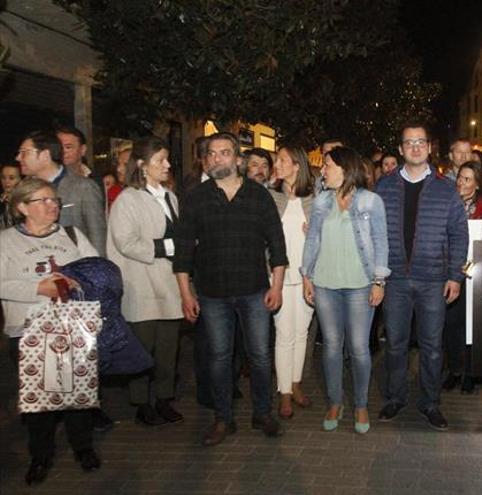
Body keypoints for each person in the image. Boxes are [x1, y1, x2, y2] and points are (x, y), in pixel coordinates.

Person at [173, 132, 287, 446]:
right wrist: (186, 294)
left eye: (224, 153)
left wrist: (276, 286)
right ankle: (223, 418)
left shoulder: (258, 196)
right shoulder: (196, 197)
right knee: (219, 358)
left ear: (238, 159)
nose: (216, 158)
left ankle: (262, 413)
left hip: (254, 291)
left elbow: (277, 246)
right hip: (212, 294)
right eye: (211, 154)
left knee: (261, 357)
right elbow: (183, 251)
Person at [0, 177, 101, 484]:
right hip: (28, 329)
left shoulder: (72, 235)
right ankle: (40, 455)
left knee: (78, 394)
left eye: (54, 200)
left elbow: (97, 268)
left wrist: (79, 281)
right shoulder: (6, 241)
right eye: (42, 201)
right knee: (38, 400)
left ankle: (83, 447)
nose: (52, 205)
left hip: (73, 326)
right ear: (21, 207)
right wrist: (39, 288)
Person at [374, 122, 468, 431]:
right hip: (396, 279)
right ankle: (395, 398)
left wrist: (454, 275)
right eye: (408, 142)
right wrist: (376, 276)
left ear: (429, 147)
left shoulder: (445, 188)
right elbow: (373, 233)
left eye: (421, 141)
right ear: (400, 149)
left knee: (432, 346)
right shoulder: (384, 186)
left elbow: (459, 234)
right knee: (396, 344)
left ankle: (430, 402)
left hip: (433, 280)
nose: (415, 147)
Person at [301, 147, 389, 433]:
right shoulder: (321, 201)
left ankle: (361, 405)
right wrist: (306, 276)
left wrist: (379, 281)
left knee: (360, 349)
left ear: (344, 168)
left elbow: (381, 242)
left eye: (327, 165)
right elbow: (312, 239)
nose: (322, 170)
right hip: (325, 284)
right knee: (331, 347)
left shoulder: (370, 201)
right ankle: (335, 401)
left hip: (360, 285)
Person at [106, 136, 184, 426]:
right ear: (142, 165)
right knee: (143, 348)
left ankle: (164, 398)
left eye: (166, 159)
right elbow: (125, 243)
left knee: (168, 347)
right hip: (141, 284)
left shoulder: (170, 196)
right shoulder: (127, 200)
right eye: (160, 160)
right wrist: (170, 247)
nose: (167, 164)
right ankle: (141, 402)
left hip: (169, 283)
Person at [268, 145, 315, 418]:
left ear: (298, 165)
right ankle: (283, 392)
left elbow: (323, 238)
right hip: (280, 277)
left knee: (302, 333)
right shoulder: (270, 197)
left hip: (307, 277)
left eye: (283, 160)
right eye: (277, 160)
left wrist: (314, 232)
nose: (278, 164)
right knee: (284, 334)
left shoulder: (315, 199)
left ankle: (296, 384)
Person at [17, 130, 107, 257]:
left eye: (24, 153)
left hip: (74, 266)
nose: (18, 158)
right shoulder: (22, 190)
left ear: (45, 155)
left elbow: (97, 234)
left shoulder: (83, 187)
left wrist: (98, 269)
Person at [443, 161, 482, 394]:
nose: (461, 182)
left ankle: (471, 372)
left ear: (478, 183)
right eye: (460, 177)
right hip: (451, 271)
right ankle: (454, 370)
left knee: (474, 324)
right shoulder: (447, 204)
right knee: (451, 324)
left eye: (468, 179)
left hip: (478, 273)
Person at [1, 162, 23, 228]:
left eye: (11, 178)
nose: (6, 181)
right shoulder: (2, 199)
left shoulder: (27, 200)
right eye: (3, 177)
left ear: (21, 180)